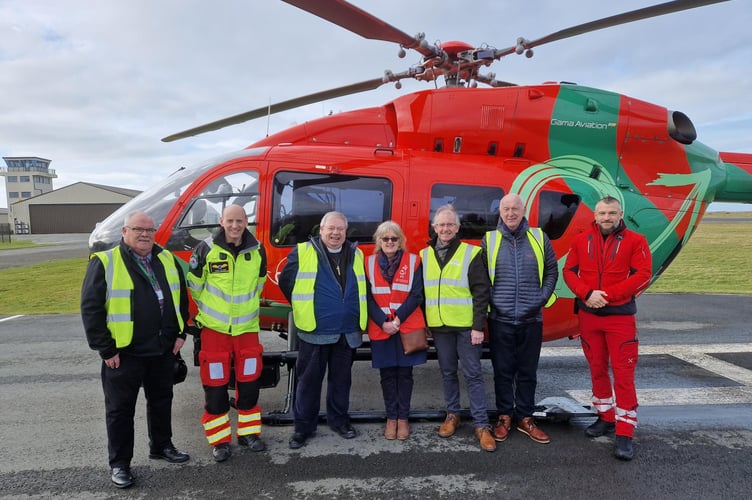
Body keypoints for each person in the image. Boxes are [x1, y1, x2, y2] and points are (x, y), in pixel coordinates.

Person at [81, 211, 190, 489]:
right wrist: (105, 350)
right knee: (119, 411)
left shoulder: (166, 259)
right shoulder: (106, 262)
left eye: (150, 230)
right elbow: (91, 309)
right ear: (125, 232)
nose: (145, 234)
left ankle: (162, 446)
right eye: (138, 229)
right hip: (123, 353)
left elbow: (181, 298)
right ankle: (120, 464)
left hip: (162, 349)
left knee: (162, 401)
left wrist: (180, 334)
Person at [563, 195, 652, 461]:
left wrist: (608, 295)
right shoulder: (581, 240)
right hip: (589, 315)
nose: (606, 218)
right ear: (595, 214)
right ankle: (606, 416)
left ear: (620, 213)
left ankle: (625, 431)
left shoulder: (636, 241)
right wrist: (586, 293)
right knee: (597, 368)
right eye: (602, 213)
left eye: (611, 213)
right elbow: (569, 271)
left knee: (623, 374)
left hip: (620, 318)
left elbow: (642, 274)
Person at [279, 211, 367, 449]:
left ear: (345, 231)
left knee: (341, 381)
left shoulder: (356, 253)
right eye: (331, 228)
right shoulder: (303, 252)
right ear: (321, 230)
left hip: (347, 331)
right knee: (308, 382)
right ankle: (303, 428)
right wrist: (305, 306)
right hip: (315, 330)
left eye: (340, 229)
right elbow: (287, 282)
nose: (335, 233)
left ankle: (339, 421)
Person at [187, 204, 267, 462]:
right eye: (230, 220)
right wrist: (213, 315)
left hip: (247, 330)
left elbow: (260, 284)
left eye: (240, 221)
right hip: (215, 332)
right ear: (221, 221)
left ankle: (248, 434)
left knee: (250, 384)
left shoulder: (257, 250)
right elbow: (195, 287)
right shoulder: (206, 249)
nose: (235, 225)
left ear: (246, 222)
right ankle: (220, 441)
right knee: (216, 388)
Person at [481, 193, 558, 445]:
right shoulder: (489, 240)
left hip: (531, 319)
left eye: (515, 208)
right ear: (500, 212)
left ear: (523, 210)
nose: (511, 213)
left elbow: (551, 271)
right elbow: (482, 278)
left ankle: (525, 417)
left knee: (527, 372)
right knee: (502, 371)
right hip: (500, 319)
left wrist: (541, 299)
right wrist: (496, 304)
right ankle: (504, 416)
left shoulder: (538, 237)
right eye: (506, 209)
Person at [421, 204, 496, 452]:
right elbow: (421, 293)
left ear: (457, 227)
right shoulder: (424, 255)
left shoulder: (471, 253)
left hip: (466, 327)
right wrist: (426, 322)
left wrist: (478, 326)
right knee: (447, 373)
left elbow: (481, 291)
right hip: (440, 327)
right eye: (441, 224)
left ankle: (482, 425)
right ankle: (452, 414)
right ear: (434, 227)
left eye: (450, 224)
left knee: (473, 374)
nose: (445, 228)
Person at [365, 221, 427, 440]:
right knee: (387, 376)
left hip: (406, 327)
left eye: (394, 238)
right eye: (385, 238)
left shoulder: (413, 261)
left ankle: (403, 419)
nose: (390, 242)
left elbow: (417, 294)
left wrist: (397, 320)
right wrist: (383, 321)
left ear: (401, 241)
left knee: (405, 375)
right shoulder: (368, 263)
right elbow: (367, 297)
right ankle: (391, 418)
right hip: (381, 328)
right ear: (378, 241)